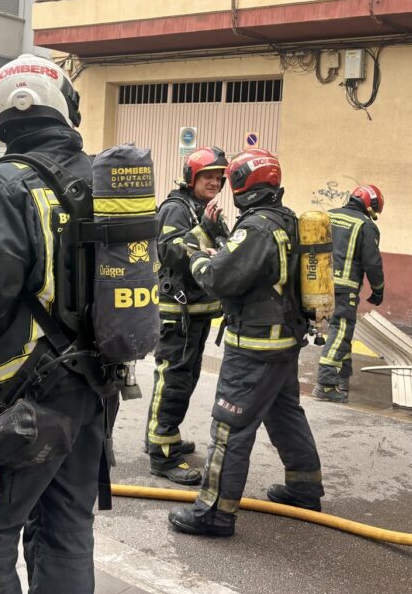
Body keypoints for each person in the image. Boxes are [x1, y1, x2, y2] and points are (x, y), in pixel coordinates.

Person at [0, 54, 108, 593]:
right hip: (93, 392)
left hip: (21, 398)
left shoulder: (4, 182)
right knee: (67, 528)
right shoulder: (100, 178)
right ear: (66, 108)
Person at [168, 149, 323, 538]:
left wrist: (196, 254)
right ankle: (304, 488)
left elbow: (218, 279)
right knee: (285, 414)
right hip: (284, 342)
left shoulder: (256, 228)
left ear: (242, 185)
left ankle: (214, 513)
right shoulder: (287, 219)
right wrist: (223, 247)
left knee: (229, 428)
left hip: (255, 347)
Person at [145, 146, 228, 485]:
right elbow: (168, 251)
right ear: (192, 177)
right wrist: (204, 231)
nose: (215, 182)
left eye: (219, 178)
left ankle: (163, 435)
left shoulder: (202, 209)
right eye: (208, 176)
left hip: (197, 312)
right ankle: (162, 454)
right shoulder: (176, 208)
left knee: (186, 377)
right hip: (177, 312)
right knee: (173, 379)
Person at [314, 184, 385, 403]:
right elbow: (372, 262)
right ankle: (326, 383)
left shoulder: (328, 215)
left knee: (342, 332)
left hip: (318, 284)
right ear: (370, 205)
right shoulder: (366, 225)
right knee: (340, 330)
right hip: (344, 288)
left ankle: (342, 377)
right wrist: (378, 289)